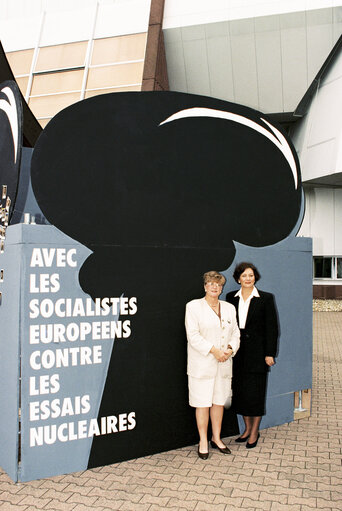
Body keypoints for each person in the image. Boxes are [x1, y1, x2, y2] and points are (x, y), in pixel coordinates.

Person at [185, 271, 240, 459]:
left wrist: (230, 349)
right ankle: (203, 441)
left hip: (224, 363)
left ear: (222, 287)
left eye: (218, 284)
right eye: (211, 284)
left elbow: (235, 333)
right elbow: (193, 336)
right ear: (205, 286)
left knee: (219, 402)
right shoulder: (193, 307)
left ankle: (217, 438)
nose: (214, 287)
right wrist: (215, 351)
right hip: (202, 364)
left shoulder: (229, 308)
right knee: (202, 403)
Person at [226, 262, 279, 449]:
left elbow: (272, 329)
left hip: (258, 354)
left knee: (255, 393)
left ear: (255, 277)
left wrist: (269, 353)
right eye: (244, 276)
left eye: (251, 275)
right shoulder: (230, 297)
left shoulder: (265, 298)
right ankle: (247, 430)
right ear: (238, 279)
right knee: (241, 393)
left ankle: (254, 432)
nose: (248, 278)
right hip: (238, 353)